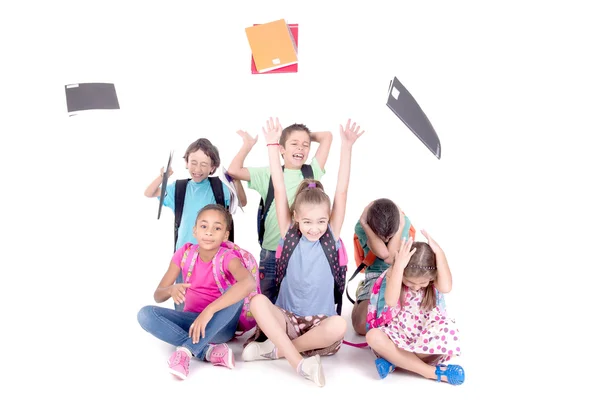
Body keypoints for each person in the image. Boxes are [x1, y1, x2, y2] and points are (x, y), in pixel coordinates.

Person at [241, 118, 363, 387]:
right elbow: (280, 186)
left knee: (340, 326)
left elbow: (341, 191)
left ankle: (277, 350)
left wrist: (347, 147)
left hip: (319, 327)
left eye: (321, 221)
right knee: (258, 302)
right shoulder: (289, 235)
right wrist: (273, 145)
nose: (315, 228)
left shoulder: (330, 235)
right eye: (307, 222)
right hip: (287, 319)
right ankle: (298, 362)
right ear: (295, 217)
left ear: (328, 219)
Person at [137, 204, 256, 380]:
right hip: (192, 323)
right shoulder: (184, 254)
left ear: (225, 235)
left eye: (217, 228)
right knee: (145, 314)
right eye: (203, 226)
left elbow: (249, 283)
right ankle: (207, 351)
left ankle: (186, 351)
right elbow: (158, 295)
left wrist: (209, 311)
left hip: (220, 326)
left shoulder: (227, 257)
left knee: (236, 291)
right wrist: (170, 290)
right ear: (194, 231)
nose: (209, 232)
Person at [227, 124, 332, 303]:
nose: (300, 148)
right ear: (281, 149)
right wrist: (248, 144)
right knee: (266, 301)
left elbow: (327, 136)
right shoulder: (268, 173)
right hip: (271, 252)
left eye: (305, 145)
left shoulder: (311, 172)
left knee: (294, 303)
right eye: (294, 144)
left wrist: (301, 136)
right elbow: (233, 171)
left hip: (299, 252)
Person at [144, 138, 247, 310]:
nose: (198, 169)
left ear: (213, 167)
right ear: (186, 162)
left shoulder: (219, 187)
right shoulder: (179, 188)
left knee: (214, 303)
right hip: (184, 258)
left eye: (204, 164)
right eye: (193, 163)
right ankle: (187, 331)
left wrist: (235, 180)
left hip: (213, 258)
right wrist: (163, 177)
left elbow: (242, 202)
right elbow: (150, 193)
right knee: (183, 303)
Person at [365, 231, 465, 385]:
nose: (416, 287)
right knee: (373, 336)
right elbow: (391, 301)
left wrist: (439, 252)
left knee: (447, 333)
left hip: (423, 340)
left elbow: (446, 287)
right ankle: (431, 372)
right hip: (398, 335)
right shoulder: (394, 274)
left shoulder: (434, 281)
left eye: (423, 283)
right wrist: (398, 266)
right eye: (410, 283)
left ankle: (396, 361)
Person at [352, 199, 414, 335]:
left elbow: (391, 259)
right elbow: (384, 254)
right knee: (361, 326)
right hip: (375, 275)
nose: (386, 240)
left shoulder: (403, 221)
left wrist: (401, 226)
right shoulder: (361, 226)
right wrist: (364, 224)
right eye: (381, 238)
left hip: (399, 274)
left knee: (405, 323)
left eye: (389, 237)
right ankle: (362, 291)